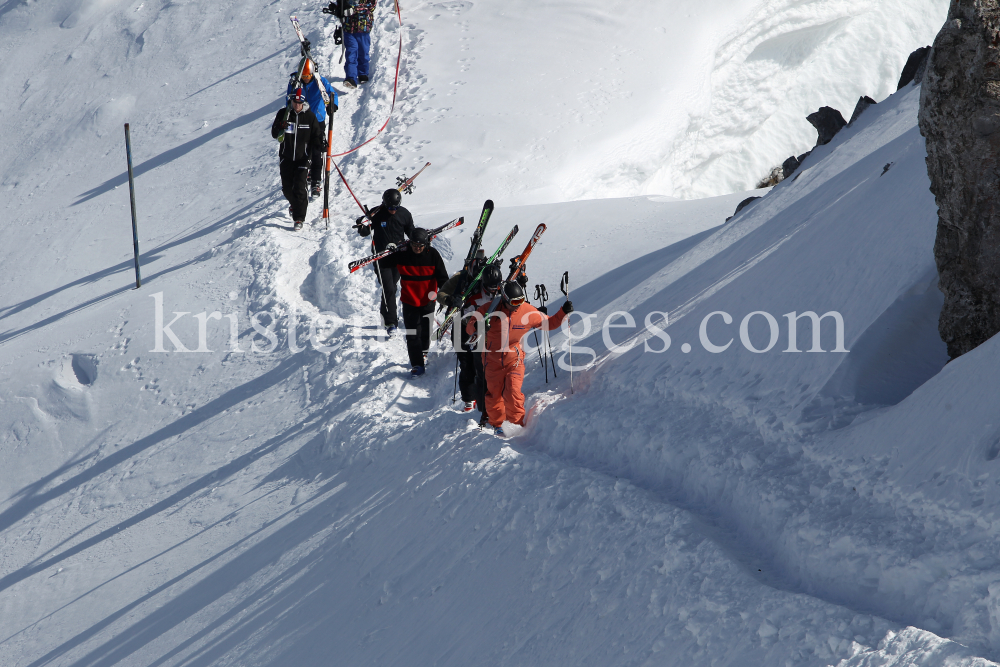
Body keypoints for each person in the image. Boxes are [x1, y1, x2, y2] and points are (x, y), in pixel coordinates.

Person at [466, 281, 573, 436]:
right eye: (514, 302)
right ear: (504, 299)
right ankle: (497, 425)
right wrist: (478, 326)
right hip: (492, 358)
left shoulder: (526, 311)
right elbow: (469, 326)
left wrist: (563, 312)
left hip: (514, 359)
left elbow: (549, 323)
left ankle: (516, 426)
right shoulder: (489, 309)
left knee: (513, 392)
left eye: (521, 301)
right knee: (494, 394)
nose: (517, 306)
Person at [379, 228, 449, 377]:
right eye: (415, 245)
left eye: (421, 245)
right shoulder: (402, 254)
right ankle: (417, 364)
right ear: (410, 243)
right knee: (412, 334)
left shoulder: (433, 255)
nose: (417, 248)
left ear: (426, 244)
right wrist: (390, 251)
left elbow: (443, 278)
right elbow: (383, 264)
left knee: (425, 331)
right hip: (409, 301)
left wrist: (447, 294)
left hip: (428, 301)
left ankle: (424, 352)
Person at [436, 251, 493, 414]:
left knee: (483, 364)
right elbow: (441, 294)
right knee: (467, 364)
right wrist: (450, 300)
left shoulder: (488, 276)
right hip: (461, 325)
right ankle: (469, 400)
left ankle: (486, 399)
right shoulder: (460, 277)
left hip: (483, 327)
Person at [354, 188, 415, 332]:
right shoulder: (377, 213)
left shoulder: (404, 214)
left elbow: (411, 232)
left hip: (399, 255)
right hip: (381, 256)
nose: (393, 210)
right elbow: (365, 231)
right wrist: (362, 225)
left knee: (392, 287)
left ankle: (384, 315)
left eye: (396, 207)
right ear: (384, 204)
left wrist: (419, 237)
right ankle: (391, 323)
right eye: (390, 208)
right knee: (388, 287)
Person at [270, 90, 323, 230]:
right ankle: (295, 204)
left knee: (300, 186)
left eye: (299, 103)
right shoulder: (284, 114)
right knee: (287, 188)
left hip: (303, 158)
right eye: (295, 102)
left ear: (303, 102)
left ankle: (299, 218)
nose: (297, 105)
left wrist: (320, 143)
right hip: (286, 157)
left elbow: (316, 135)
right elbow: (274, 134)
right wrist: (279, 127)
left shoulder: (310, 117)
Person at [288, 60, 338, 198]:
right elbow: (289, 97)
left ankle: (316, 181)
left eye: (307, 76)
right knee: (302, 150)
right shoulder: (295, 82)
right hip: (302, 120)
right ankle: (304, 174)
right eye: (303, 76)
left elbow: (331, 93)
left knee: (317, 151)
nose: (305, 79)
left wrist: (333, 105)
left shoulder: (320, 81)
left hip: (317, 120)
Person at [342, 0, 376, 88]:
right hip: (349, 28)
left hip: (363, 27)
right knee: (351, 52)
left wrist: (354, 9)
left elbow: (371, 6)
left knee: (363, 51)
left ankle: (363, 73)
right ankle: (351, 78)